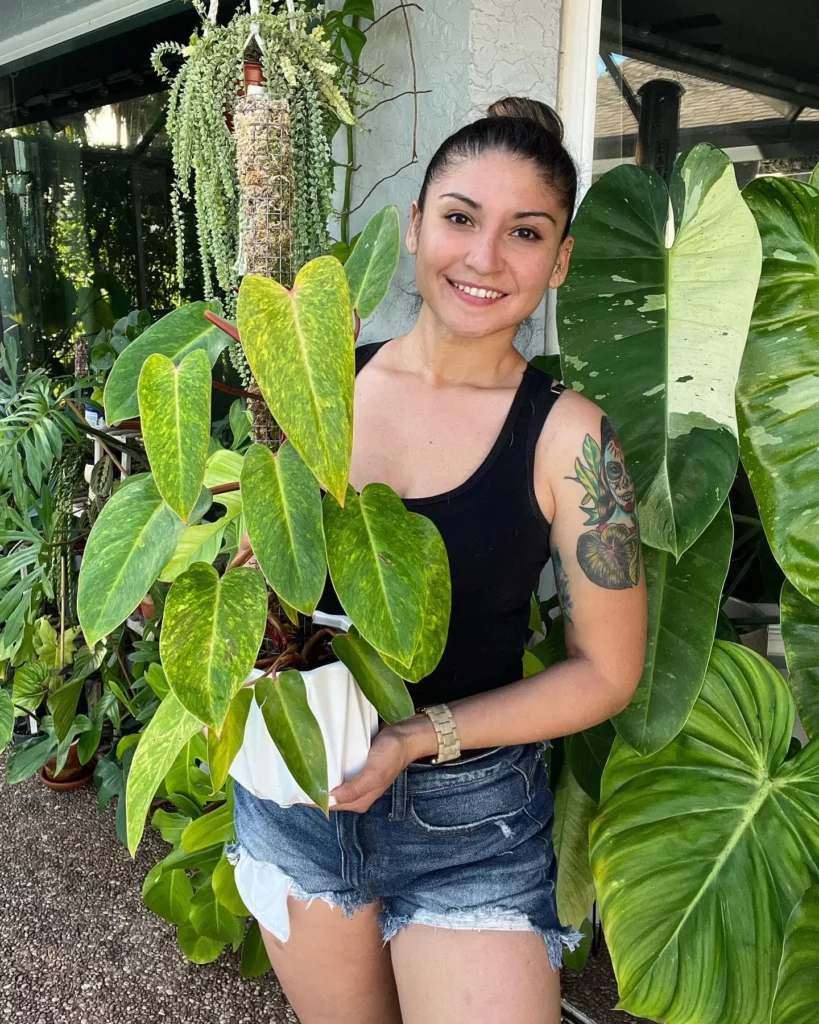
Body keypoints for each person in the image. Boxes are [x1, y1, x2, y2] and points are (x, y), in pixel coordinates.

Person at [226, 96, 648, 1024]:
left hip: (471, 818)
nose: (484, 257)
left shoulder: (569, 440)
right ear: (416, 227)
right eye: (459, 218)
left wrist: (420, 736)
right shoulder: (319, 388)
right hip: (304, 792)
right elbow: (272, 580)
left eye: (525, 232)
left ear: (560, 258)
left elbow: (608, 672)